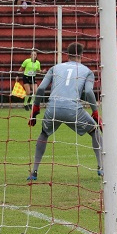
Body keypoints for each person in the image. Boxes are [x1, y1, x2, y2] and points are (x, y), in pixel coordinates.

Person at [26, 43, 103, 181]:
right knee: (94, 131)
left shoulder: (55, 68)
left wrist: (35, 108)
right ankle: (101, 167)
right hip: (73, 108)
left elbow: (42, 89)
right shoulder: (86, 71)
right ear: (81, 55)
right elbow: (90, 92)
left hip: (53, 107)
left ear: (67, 55)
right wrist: (95, 112)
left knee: (44, 134)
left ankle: (34, 172)